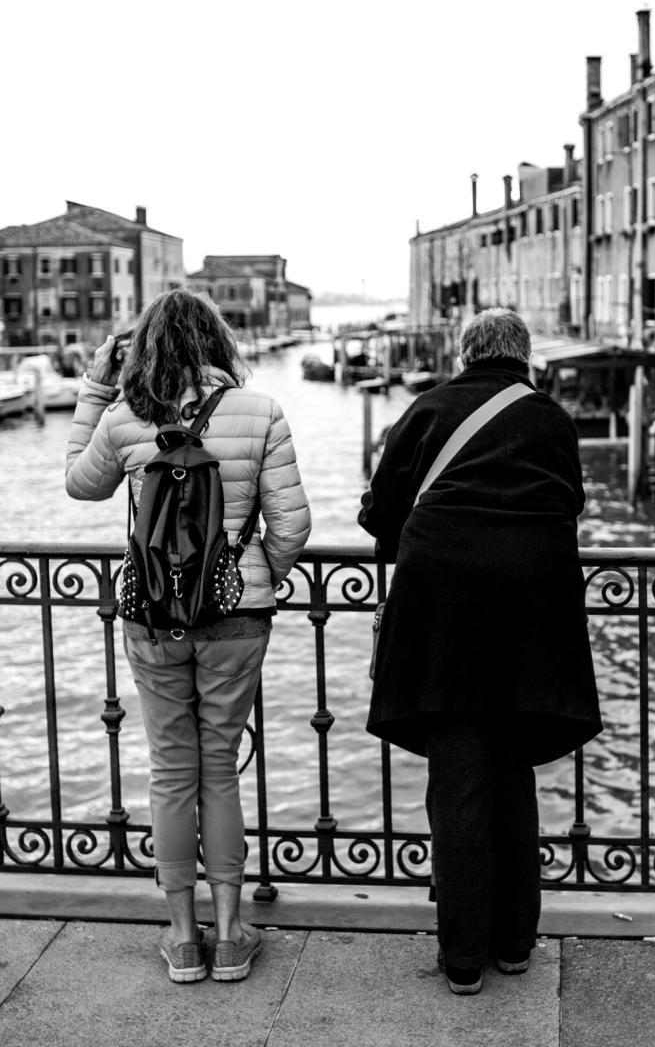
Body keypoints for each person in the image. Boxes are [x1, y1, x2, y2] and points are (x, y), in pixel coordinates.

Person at [66, 289, 311, 984]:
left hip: (150, 616)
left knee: (172, 769)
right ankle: (232, 936)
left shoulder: (124, 417)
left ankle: (182, 939)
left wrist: (95, 385)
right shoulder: (261, 411)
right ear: (219, 342)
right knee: (218, 765)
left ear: (139, 350)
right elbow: (291, 525)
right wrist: (255, 574)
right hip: (236, 617)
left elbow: (79, 485)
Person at [358, 307, 600, 996]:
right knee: (513, 771)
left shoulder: (430, 407)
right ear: (524, 358)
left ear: (465, 354)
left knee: (459, 773)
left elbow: (381, 515)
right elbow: (571, 502)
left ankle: (464, 956)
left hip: (444, 616)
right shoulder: (550, 418)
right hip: (532, 616)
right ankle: (517, 944)